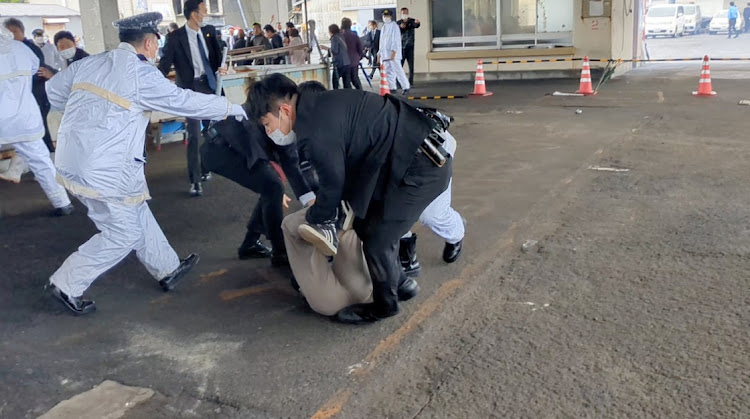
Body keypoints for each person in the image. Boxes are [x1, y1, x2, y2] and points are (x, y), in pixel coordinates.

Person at [44, 12, 247, 315]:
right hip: (104, 168)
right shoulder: (141, 75)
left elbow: (53, 91)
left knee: (135, 208)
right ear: (150, 43)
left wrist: (89, 114)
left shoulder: (90, 63)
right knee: (122, 233)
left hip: (78, 158)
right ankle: (66, 283)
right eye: (157, 44)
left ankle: (167, 268)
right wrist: (232, 107)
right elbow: (184, 101)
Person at [249, 74, 451, 324]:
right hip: (404, 160)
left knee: (378, 239)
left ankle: (385, 306)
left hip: (419, 168)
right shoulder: (319, 104)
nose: (269, 132)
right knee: (365, 224)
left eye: (267, 124)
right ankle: (401, 284)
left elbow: (333, 184)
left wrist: (316, 217)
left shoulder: (314, 128)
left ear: (284, 109)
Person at [199, 107, 315, 266]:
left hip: (231, 146)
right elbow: (291, 163)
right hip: (222, 149)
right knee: (273, 187)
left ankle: (250, 245)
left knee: (271, 187)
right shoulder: (284, 118)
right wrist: (312, 201)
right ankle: (280, 252)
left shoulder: (289, 113)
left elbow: (293, 163)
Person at [0, 25, 73, 216]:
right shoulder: (21, 48)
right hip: (25, 116)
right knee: (41, 162)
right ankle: (62, 202)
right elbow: (34, 69)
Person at [158, 0, 224, 197]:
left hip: (208, 85)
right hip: (189, 90)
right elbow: (163, 66)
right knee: (194, 134)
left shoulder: (209, 31)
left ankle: (204, 166)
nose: (206, 14)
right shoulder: (175, 37)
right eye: (204, 11)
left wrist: (222, 67)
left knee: (214, 130)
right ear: (194, 14)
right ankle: (195, 180)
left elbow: (217, 57)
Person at [399, 130, 464, 277]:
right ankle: (405, 253)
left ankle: (454, 231)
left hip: (430, 150)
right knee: (381, 207)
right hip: (392, 154)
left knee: (430, 213)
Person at [4, 18, 55, 153]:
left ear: (22, 32)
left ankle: (48, 154)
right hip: (20, 99)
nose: (12, 35)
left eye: (15, 31)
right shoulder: (8, 50)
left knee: (37, 132)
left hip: (36, 95)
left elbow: (37, 70)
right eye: (9, 32)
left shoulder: (28, 48)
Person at [379, 10, 409, 94]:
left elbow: (395, 40)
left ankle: (406, 86)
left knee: (398, 70)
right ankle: (392, 87)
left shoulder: (394, 26)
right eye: (384, 16)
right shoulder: (383, 27)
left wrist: (394, 51)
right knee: (389, 72)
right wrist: (379, 53)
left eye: (387, 16)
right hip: (385, 54)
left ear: (391, 16)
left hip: (393, 54)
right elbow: (381, 42)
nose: (385, 17)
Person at [321, 24, 351, 89]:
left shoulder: (334, 38)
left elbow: (335, 50)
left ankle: (336, 95)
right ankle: (349, 96)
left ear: (331, 31)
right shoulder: (341, 36)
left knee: (335, 81)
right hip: (347, 62)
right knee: (346, 83)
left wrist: (326, 48)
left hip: (339, 63)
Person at [396, 7, 420, 86]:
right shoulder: (398, 23)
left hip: (410, 46)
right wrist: (400, 28)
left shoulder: (411, 21)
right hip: (401, 47)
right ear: (400, 14)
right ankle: (398, 81)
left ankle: (411, 81)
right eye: (403, 13)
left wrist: (418, 23)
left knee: (411, 65)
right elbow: (396, 32)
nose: (404, 15)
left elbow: (416, 25)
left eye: (406, 13)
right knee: (400, 65)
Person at [340, 17, 363, 90]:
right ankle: (360, 93)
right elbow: (360, 48)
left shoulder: (340, 36)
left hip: (344, 62)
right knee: (355, 79)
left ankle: (349, 96)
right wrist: (358, 57)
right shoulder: (354, 35)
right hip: (354, 61)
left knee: (346, 81)